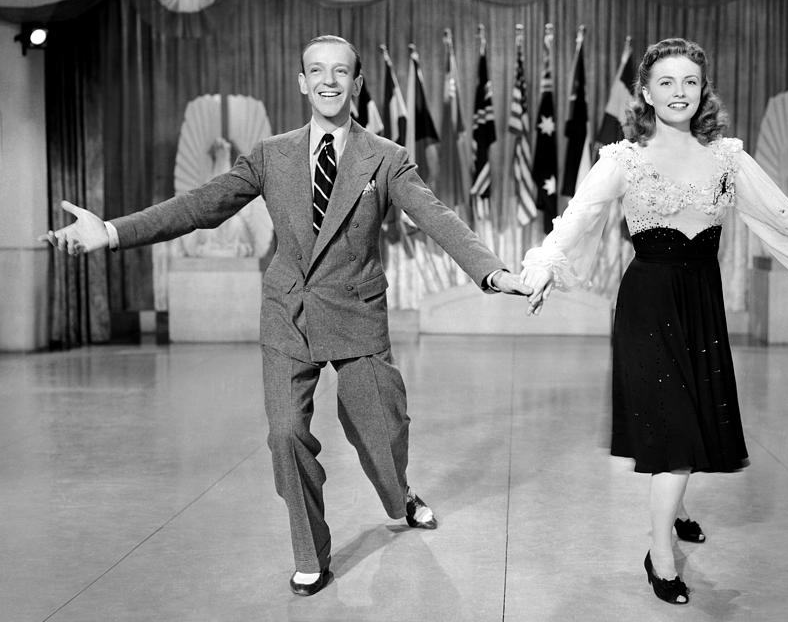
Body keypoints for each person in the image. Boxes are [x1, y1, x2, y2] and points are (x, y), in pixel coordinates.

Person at [41, 34, 532, 597]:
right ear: (302, 82)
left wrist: (492, 272)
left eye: (341, 71)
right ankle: (310, 553)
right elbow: (202, 205)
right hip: (287, 317)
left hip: (356, 316)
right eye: (317, 71)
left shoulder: (386, 158)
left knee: (381, 432)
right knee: (286, 435)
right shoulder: (271, 154)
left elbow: (437, 217)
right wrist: (109, 231)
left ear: (357, 82)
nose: (328, 81)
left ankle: (399, 497)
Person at [520, 37, 788, 605]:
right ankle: (660, 555)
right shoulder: (621, 158)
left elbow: (787, 219)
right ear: (645, 92)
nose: (679, 93)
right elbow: (580, 217)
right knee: (671, 426)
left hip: (702, 301)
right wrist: (546, 263)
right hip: (647, 304)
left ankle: (678, 508)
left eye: (689, 82)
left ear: (703, 91)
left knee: (692, 412)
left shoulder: (728, 156)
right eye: (666, 82)